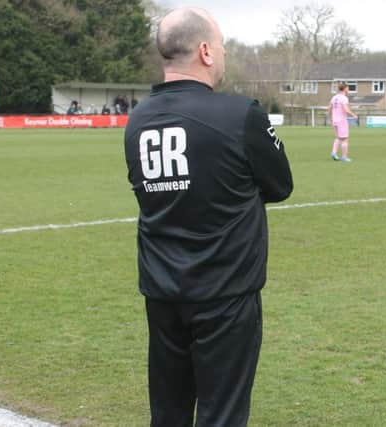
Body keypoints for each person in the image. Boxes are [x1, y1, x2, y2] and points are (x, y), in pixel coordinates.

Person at [123, 7, 293, 427]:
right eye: (221, 46)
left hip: (162, 291)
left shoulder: (137, 119)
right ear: (205, 51)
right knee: (222, 415)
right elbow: (280, 186)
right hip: (225, 294)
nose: (223, 53)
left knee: (168, 413)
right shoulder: (240, 114)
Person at [329, 82, 357, 162]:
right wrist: (354, 115)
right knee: (345, 139)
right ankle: (344, 157)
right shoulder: (344, 98)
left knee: (338, 137)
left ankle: (334, 153)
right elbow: (346, 109)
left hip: (335, 120)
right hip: (342, 120)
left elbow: (329, 108)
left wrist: (331, 118)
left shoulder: (334, 97)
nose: (348, 90)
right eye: (348, 88)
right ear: (344, 89)